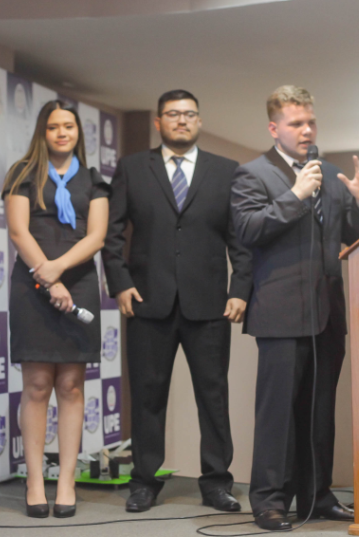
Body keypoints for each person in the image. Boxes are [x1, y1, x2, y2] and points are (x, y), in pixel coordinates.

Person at [230, 85, 359, 531]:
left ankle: (317, 495)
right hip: (279, 311)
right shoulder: (251, 174)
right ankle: (269, 501)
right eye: (296, 123)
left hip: (327, 308)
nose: (307, 129)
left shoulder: (330, 173)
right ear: (275, 128)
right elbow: (249, 230)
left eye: (311, 121)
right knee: (277, 414)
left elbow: (352, 235)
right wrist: (294, 195)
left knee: (320, 409)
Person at [103, 90, 252, 513]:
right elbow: (112, 234)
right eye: (173, 114)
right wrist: (120, 283)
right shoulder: (133, 168)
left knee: (213, 396)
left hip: (210, 305)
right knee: (148, 396)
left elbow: (239, 239)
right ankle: (145, 483)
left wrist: (241, 287)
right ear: (158, 122)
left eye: (189, 114)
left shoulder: (226, 171)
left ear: (200, 121)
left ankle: (216, 483)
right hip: (148, 302)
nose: (181, 121)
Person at [3, 100, 110, 519]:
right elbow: (18, 230)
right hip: (32, 283)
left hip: (78, 281)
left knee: (70, 386)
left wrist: (60, 271)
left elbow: (98, 235)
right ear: (42, 132)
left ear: (78, 132)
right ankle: (34, 481)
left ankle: (65, 481)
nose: (62, 133)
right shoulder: (22, 173)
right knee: (36, 386)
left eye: (68, 126)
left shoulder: (95, 180)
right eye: (53, 127)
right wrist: (46, 277)